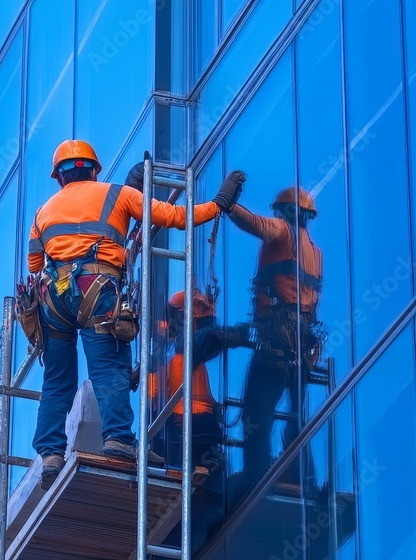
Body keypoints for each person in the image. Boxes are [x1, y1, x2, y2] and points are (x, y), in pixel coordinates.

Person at [28, 139, 247, 489]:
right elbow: (177, 217)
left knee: (57, 380)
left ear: (59, 177)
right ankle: (117, 438)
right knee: (109, 367)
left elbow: (35, 263)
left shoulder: (43, 211)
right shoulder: (119, 195)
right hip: (96, 290)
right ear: (95, 170)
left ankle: (51, 455)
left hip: (53, 298)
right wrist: (217, 205)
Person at [230, 186, 323, 489]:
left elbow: (255, 224)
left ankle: (255, 475)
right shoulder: (315, 252)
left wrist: (228, 205)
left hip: (278, 339)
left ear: (287, 212)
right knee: (296, 416)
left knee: (257, 411)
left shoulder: (283, 232)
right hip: (301, 343)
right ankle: (303, 476)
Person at [151, 290, 252, 551]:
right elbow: (206, 338)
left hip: (179, 435)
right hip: (192, 433)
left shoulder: (160, 356)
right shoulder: (182, 350)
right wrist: (233, 334)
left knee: (201, 508)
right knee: (208, 507)